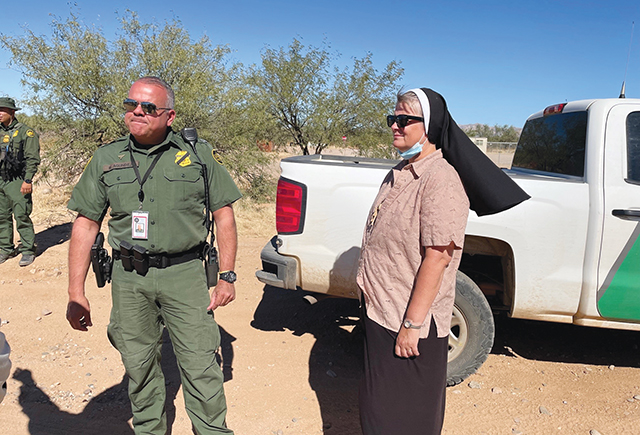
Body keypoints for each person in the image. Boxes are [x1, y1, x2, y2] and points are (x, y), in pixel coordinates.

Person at [66, 76, 241, 435]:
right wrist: (75, 292)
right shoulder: (107, 157)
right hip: (129, 279)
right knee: (139, 365)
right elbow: (85, 225)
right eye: (131, 105)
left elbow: (224, 214)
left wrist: (227, 275)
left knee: (200, 366)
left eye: (149, 107)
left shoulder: (196, 154)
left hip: (186, 274)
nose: (138, 112)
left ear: (169, 115)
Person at [356, 88, 529, 435]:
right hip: (382, 312)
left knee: (405, 419)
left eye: (404, 120)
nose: (395, 126)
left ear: (430, 126)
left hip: (406, 321)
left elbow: (437, 258)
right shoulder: (401, 171)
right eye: (393, 119)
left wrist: (411, 326)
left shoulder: (441, 180)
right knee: (379, 411)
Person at [0, 97, 40, 267]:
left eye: (3, 110)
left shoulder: (25, 132)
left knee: (21, 215)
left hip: (18, 180)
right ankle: (6, 248)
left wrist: (28, 180)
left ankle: (28, 250)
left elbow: (32, 158)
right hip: (1, 179)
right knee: (2, 216)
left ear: (12, 112)